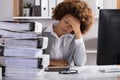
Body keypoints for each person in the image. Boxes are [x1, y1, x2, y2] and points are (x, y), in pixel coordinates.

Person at [42, 0, 93, 66]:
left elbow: (80, 63)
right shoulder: (42, 33)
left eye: (72, 26)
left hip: (66, 75)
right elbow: (35, 60)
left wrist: (78, 33)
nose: (66, 28)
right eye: (66, 22)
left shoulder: (75, 38)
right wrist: (59, 63)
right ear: (61, 16)